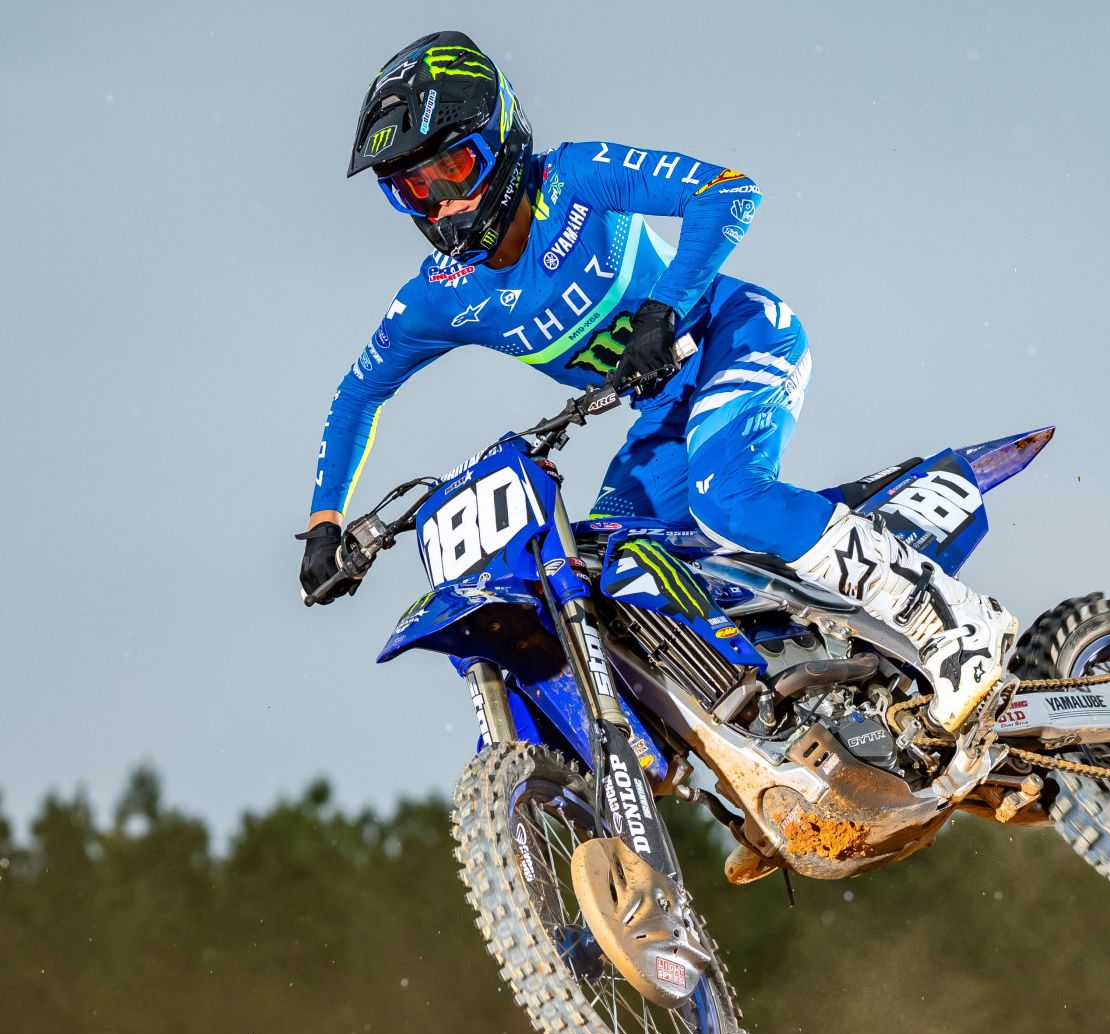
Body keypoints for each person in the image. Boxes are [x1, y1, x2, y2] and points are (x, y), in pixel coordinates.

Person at [299, 31, 1014, 729]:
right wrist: (325, 523)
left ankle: (953, 618)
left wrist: (666, 307)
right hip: (663, 412)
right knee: (607, 573)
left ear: (503, 140)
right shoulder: (438, 298)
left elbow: (729, 193)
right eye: (411, 189)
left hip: (737, 337)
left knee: (726, 496)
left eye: (452, 170)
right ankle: (773, 709)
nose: (440, 205)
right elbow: (358, 392)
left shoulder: (573, 178)